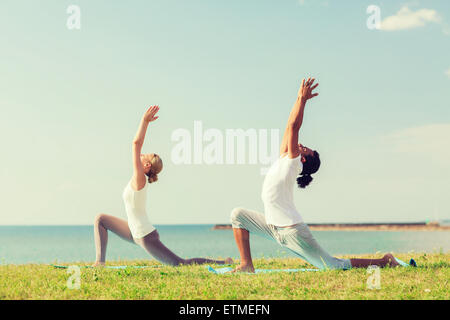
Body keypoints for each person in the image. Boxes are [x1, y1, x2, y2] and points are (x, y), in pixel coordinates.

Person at [230, 78, 400, 272]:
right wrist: (298, 98)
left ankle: (384, 261)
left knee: (333, 266)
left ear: (303, 160)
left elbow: (294, 127)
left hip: (292, 231)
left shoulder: (292, 163)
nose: (302, 145)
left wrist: (303, 101)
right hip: (273, 227)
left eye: (306, 149)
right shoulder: (285, 158)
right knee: (238, 215)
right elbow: (288, 127)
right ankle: (246, 265)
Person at [93, 105, 232, 267]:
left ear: (146, 166)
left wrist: (144, 121)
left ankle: (223, 262)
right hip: (133, 231)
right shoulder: (137, 178)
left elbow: (136, 143)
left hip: (145, 236)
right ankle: (99, 262)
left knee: (181, 264)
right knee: (100, 219)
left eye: (147, 155)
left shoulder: (140, 179)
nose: (143, 153)